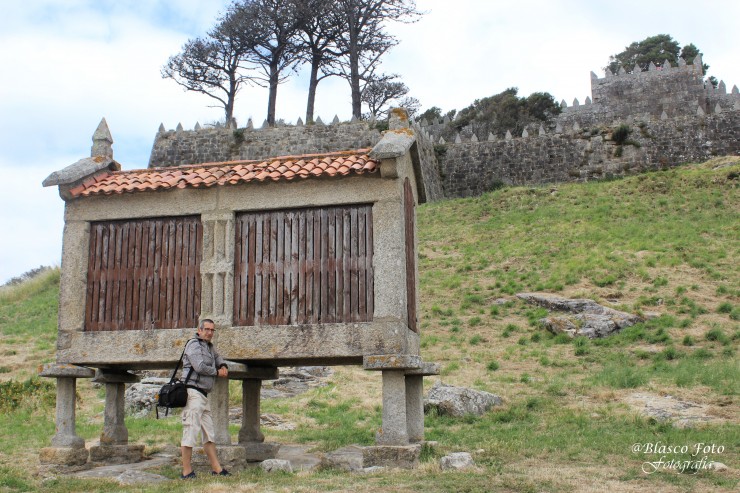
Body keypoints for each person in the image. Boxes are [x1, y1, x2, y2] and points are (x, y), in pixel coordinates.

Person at [180, 318, 231, 479]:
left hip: (203, 395)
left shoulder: (209, 346)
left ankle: (217, 469)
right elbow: (199, 366)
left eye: (212, 330)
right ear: (199, 330)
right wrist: (217, 372)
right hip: (193, 393)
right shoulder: (193, 344)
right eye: (206, 329)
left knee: (209, 434)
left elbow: (217, 358)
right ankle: (186, 472)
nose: (209, 333)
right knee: (190, 431)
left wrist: (223, 366)